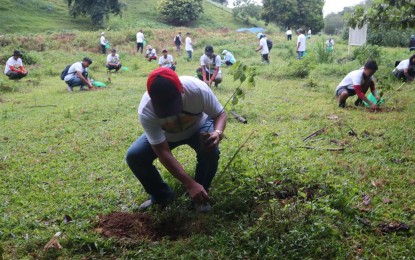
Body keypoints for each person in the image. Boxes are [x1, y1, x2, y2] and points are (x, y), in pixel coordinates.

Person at [126, 67, 227, 213]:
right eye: (163, 106)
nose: (169, 110)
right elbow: (162, 151)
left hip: (199, 127)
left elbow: (220, 114)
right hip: (167, 136)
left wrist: (217, 132)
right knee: (135, 156)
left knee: (210, 150)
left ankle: (200, 194)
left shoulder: (198, 89)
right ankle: (162, 196)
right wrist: (188, 183)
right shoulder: (146, 109)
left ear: (182, 90)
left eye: (172, 103)